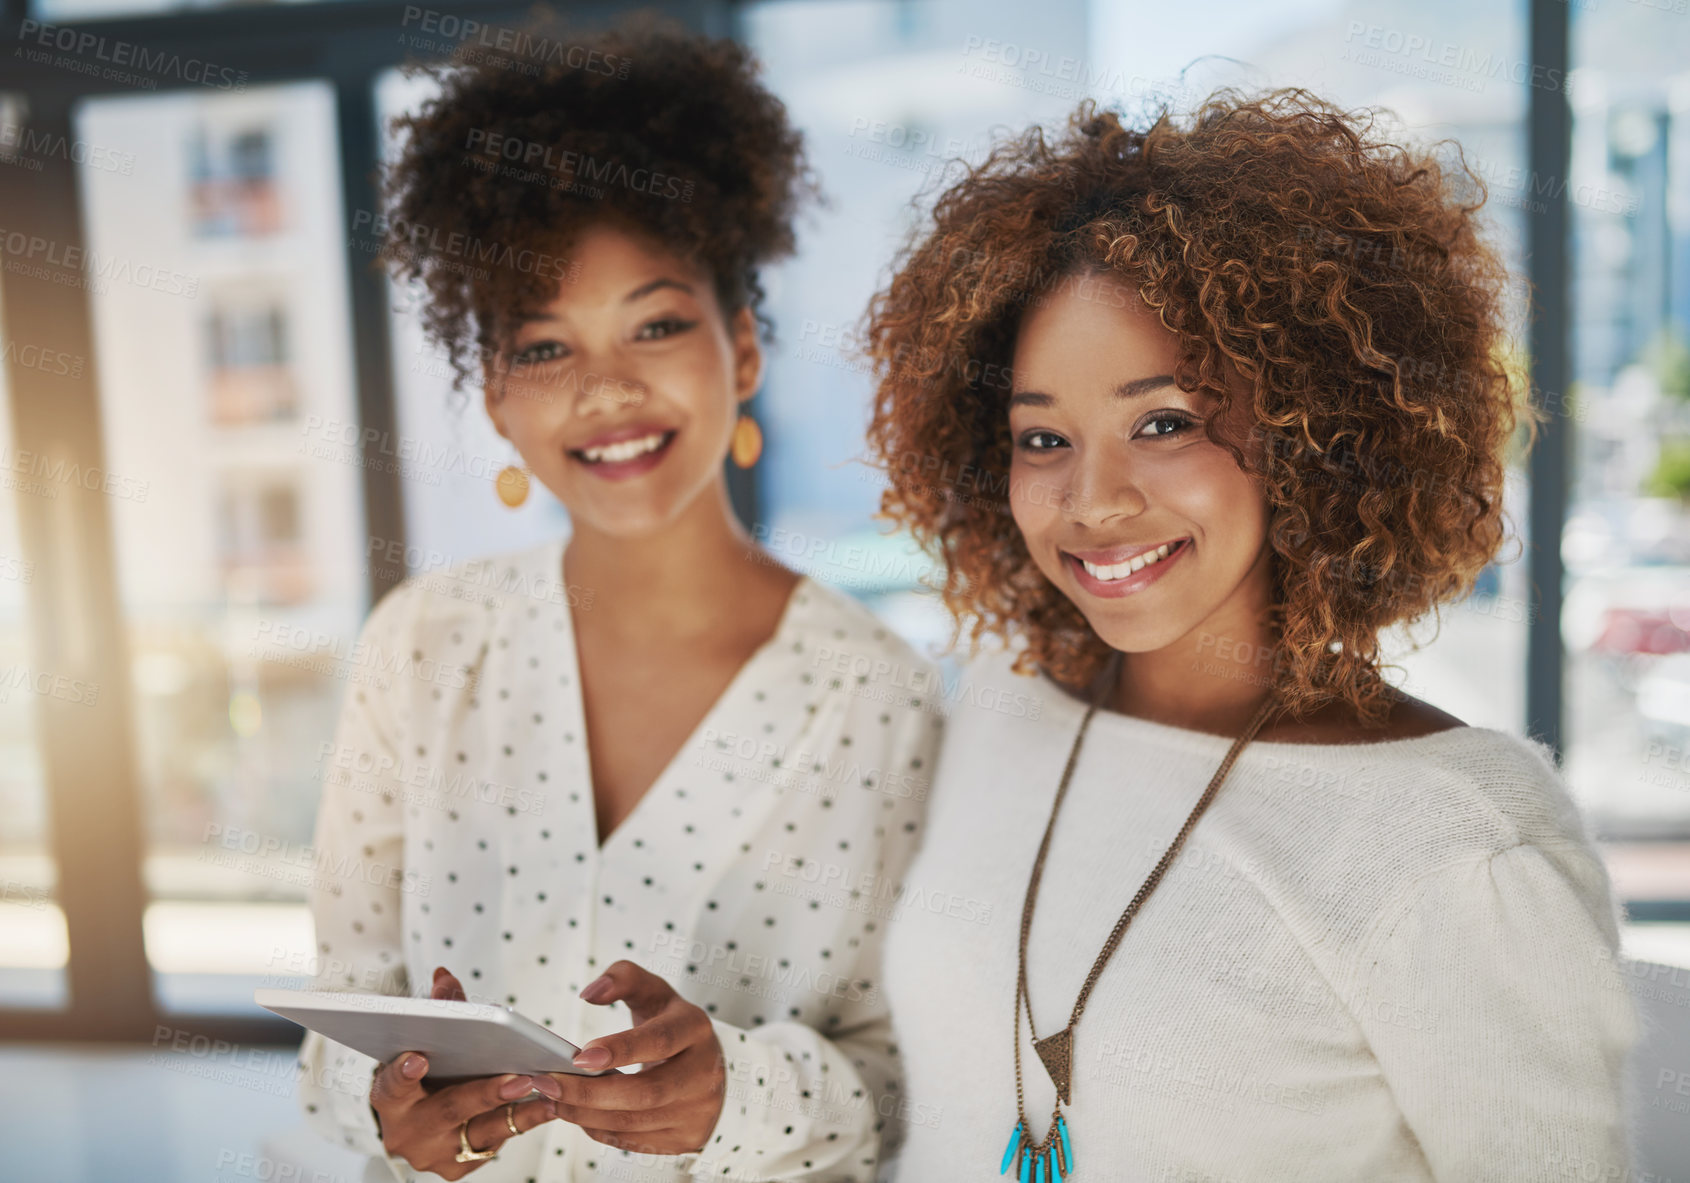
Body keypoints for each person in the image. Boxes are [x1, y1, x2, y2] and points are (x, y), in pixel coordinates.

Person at [861, 89, 1639, 1181]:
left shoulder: (1460, 844)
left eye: (1163, 423)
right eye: (1043, 436)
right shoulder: (999, 707)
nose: (1093, 499)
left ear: (1316, 433)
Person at [295, 18, 943, 1183]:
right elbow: (337, 1019)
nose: (605, 389)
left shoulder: (877, 694)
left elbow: (904, 1082)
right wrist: (385, 1104)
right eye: (545, 348)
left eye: (655, 324)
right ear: (493, 393)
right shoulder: (421, 649)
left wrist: (732, 1096)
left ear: (741, 348)